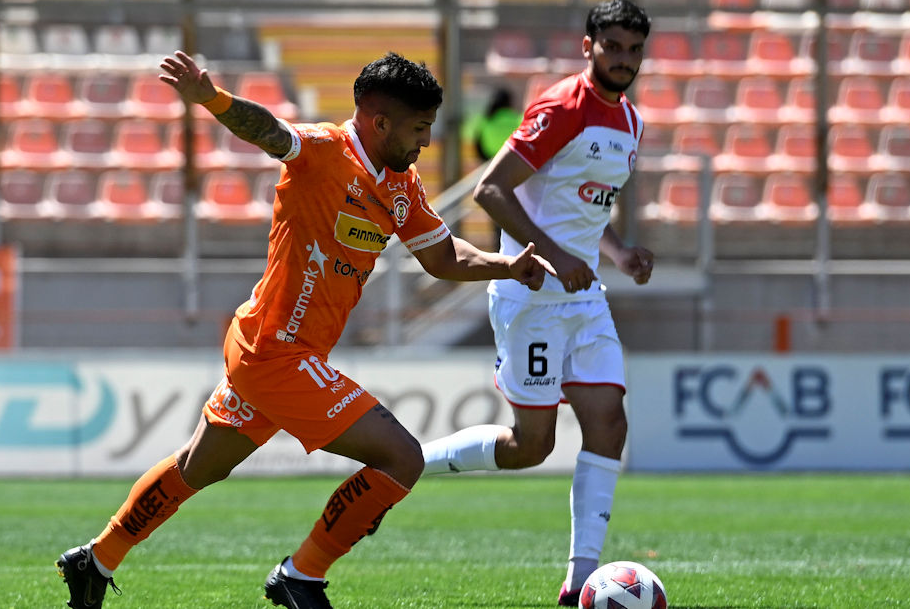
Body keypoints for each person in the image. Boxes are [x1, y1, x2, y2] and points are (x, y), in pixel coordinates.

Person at [55, 50, 554, 609]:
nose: (427, 142)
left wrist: (504, 264)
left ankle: (94, 560)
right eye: (419, 128)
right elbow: (270, 131)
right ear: (379, 121)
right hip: (277, 353)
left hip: (272, 349)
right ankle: (302, 575)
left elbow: (441, 257)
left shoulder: (400, 185)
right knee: (402, 458)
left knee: (198, 467)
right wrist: (212, 99)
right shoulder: (322, 151)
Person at [419, 0, 656, 607]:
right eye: (613, 48)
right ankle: (415, 462)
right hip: (532, 295)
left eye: (634, 49)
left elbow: (586, 207)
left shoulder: (629, 121)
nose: (624, 60)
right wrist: (555, 256)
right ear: (589, 47)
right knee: (533, 447)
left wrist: (620, 254)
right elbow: (490, 191)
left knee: (609, 424)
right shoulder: (563, 108)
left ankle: (580, 584)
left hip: (585, 298)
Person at [466, 87, 523, 163]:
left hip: (489, 158)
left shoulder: (484, 120)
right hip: (511, 159)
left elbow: (476, 142)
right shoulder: (519, 119)